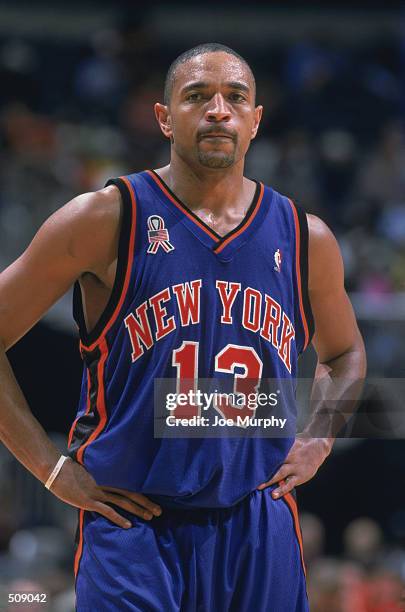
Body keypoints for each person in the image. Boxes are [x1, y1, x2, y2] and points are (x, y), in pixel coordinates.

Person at [0, 43, 366, 611]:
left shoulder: (304, 237)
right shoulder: (106, 218)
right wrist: (49, 470)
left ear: (256, 120)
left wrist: (319, 436)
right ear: (164, 118)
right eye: (197, 96)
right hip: (132, 524)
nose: (218, 109)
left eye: (235, 98)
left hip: (258, 519)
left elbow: (345, 355)